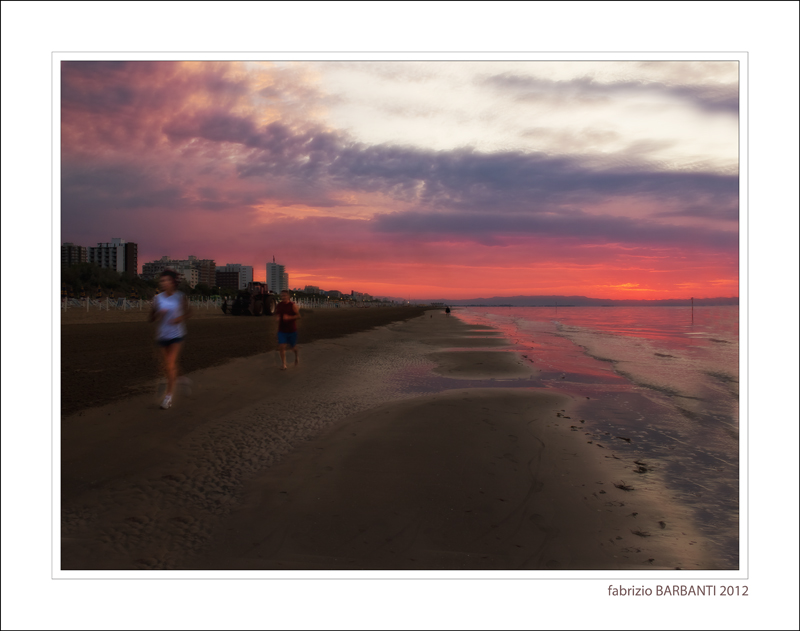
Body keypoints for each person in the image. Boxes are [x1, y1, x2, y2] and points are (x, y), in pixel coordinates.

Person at [149, 270, 191, 409]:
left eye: (166, 280)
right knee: (168, 366)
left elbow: (188, 312)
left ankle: (168, 398)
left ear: (173, 282)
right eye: (162, 281)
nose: (164, 283)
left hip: (176, 335)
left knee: (169, 365)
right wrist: (157, 313)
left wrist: (179, 318)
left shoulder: (180, 297)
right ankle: (182, 379)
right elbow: (151, 318)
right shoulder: (157, 298)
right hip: (162, 335)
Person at [275, 290, 300, 369]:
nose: (283, 297)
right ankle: (284, 364)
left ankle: (296, 356)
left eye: (285, 296)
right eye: (282, 296)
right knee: (282, 346)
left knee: (293, 347)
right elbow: (278, 314)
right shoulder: (279, 305)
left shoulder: (292, 305)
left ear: (288, 296)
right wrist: (278, 317)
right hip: (282, 330)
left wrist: (289, 317)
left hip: (291, 330)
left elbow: (299, 316)